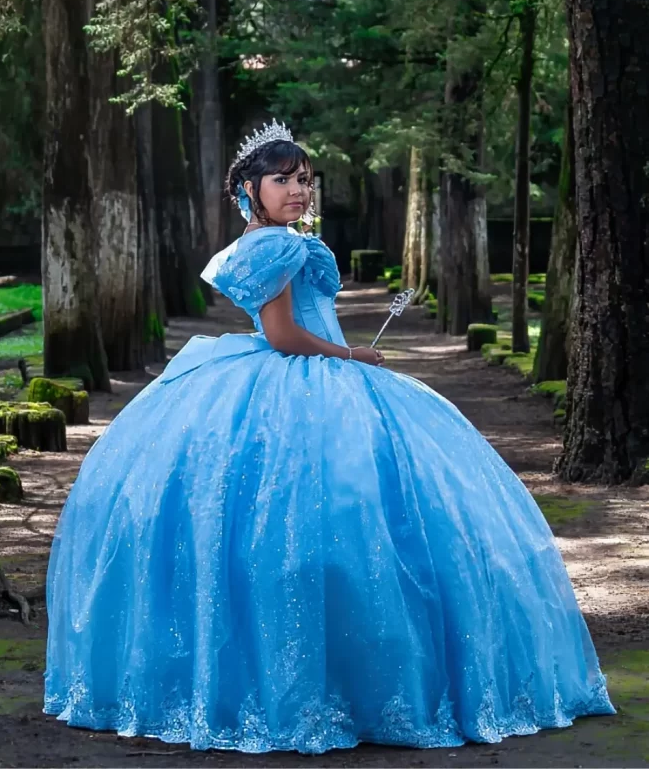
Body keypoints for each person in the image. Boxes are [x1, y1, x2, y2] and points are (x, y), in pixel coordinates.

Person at [44, 121, 614, 754]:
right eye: (283, 180)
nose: (297, 190)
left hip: (315, 369)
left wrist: (343, 356)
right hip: (299, 371)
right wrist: (354, 359)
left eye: (305, 180)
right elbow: (284, 336)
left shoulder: (280, 240)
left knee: (349, 517)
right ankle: (325, 683)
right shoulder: (276, 248)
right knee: (315, 518)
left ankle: (340, 676)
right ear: (249, 189)